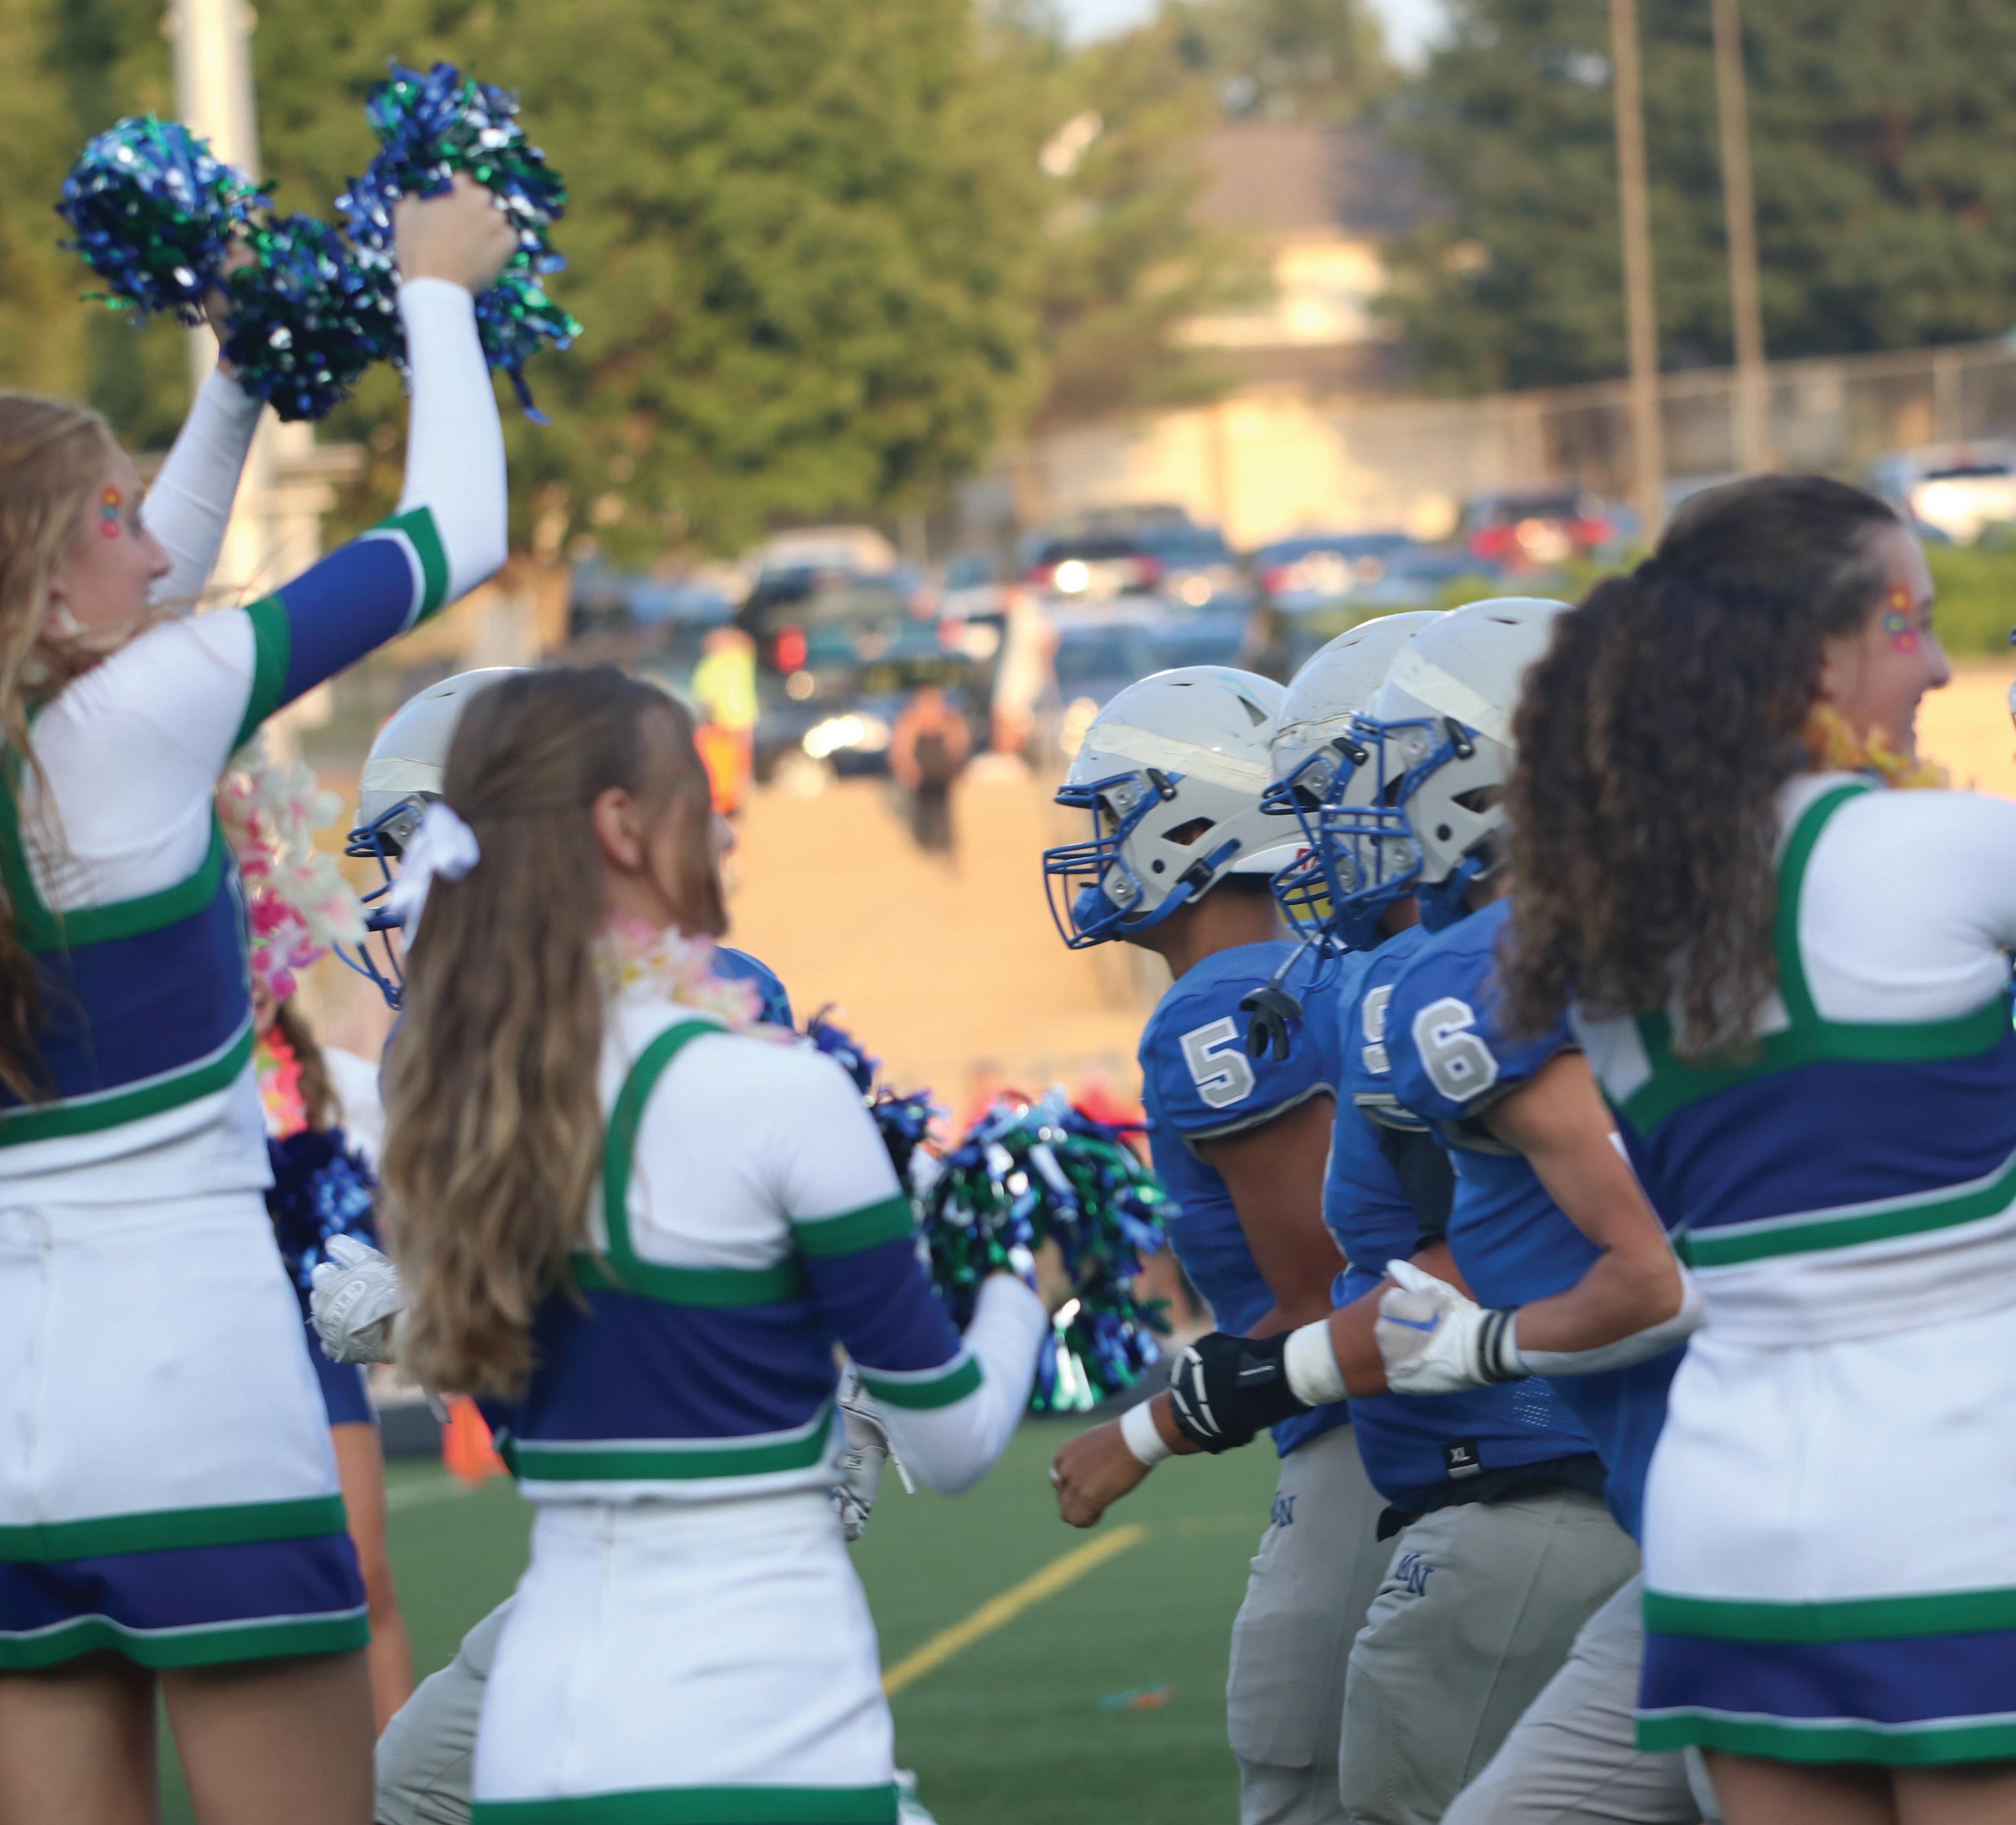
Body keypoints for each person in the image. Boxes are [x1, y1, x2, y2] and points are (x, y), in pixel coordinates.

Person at [0, 176, 513, 1824]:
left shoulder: (81, 714)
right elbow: (458, 531)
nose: (154, 542)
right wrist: (438, 288)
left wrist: (236, 378)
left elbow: (131, 598)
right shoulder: (142, 715)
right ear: (43, 583)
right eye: (110, 512)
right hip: (196, 1397)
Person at [366, 666, 1075, 1823]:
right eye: (699, 801)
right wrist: (1018, 1277)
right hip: (758, 1716)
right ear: (620, 827)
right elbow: (949, 1443)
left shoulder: (448, 1099)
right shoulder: (771, 1088)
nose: (730, 835)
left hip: (541, 1727)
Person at [1464, 477, 2015, 1825]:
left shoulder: (1605, 920)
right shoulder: (1935, 851)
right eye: (1907, 621)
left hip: (1727, 1537)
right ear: (1812, 652)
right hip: (1960, 1500)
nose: (1938, 666)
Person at [1145, 602, 1712, 1825]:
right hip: (1671, 1491)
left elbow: (1656, 1268)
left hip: (1662, 1482)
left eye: (1378, 776)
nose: (1341, 823)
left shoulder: (1453, 977)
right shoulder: (1489, 962)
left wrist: (1475, 1347)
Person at [1040, 664, 1385, 1825]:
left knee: (1302, 1787)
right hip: (1404, 1421)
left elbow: (1329, 1295)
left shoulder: (1219, 1006)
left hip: (1363, 1439)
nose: (1095, 847)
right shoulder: (1310, 969)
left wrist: (1147, 1429)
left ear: (1190, 823)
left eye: (1113, 814)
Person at [258, 993, 416, 1732]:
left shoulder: (341, 1083)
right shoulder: (181, 1092)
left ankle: (396, 1780)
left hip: (317, 1347)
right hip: (218, 1353)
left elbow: (397, 1203)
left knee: (365, 1575)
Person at [888, 684, 970, 856]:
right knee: (922, 808)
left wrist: (956, 767)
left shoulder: (949, 720)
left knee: (943, 807)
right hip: (921, 772)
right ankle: (925, 843)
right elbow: (902, 748)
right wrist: (908, 768)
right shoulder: (910, 721)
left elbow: (958, 745)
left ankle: (945, 842)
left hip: (942, 771)